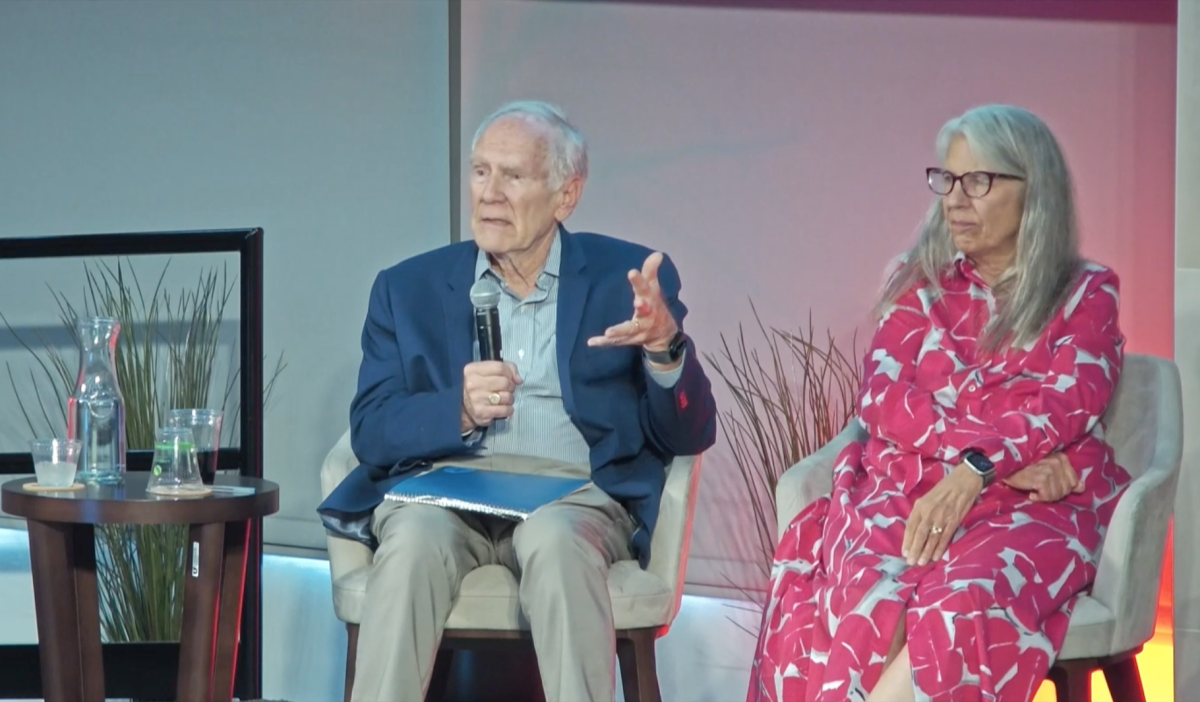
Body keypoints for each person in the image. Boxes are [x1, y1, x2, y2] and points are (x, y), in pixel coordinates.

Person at [318, 100, 717, 702]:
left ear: (566, 195)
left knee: (557, 548)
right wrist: (456, 408)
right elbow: (371, 430)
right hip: (443, 490)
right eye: (481, 172)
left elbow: (688, 433)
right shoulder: (408, 288)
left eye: (514, 176)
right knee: (410, 549)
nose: (490, 194)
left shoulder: (626, 279)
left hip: (573, 498)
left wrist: (665, 348)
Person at [747, 104, 1129, 702]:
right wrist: (991, 457)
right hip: (910, 485)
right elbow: (884, 398)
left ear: (1036, 190)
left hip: (1032, 507)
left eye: (978, 181)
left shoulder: (1085, 293)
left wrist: (982, 469)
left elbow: (1069, 403)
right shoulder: (916, 279)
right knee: (865, 595)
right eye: (946, 180)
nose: (955, 199)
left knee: (960, 601)